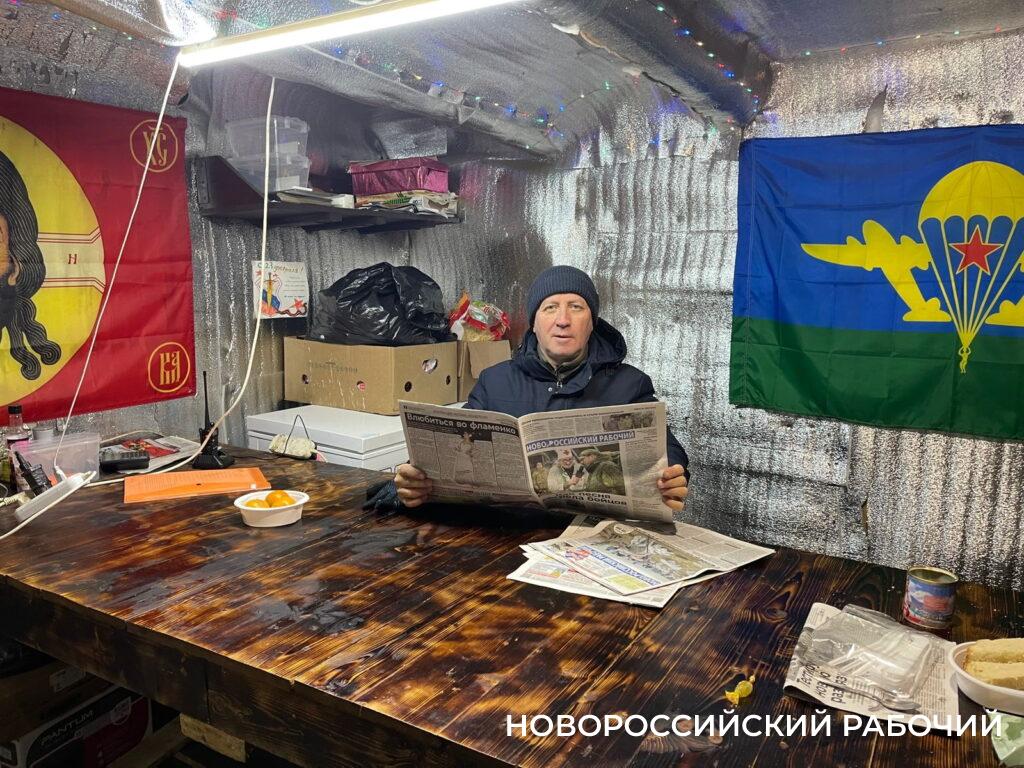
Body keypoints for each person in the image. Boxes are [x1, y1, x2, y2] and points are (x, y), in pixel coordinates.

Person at [388, 265, 689, 510]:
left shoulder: (630, 384)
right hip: (506, 535)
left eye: (576, 307)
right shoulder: (494, 381)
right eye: (550, 308)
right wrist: (414, 480)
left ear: (592, 322)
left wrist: (672, 474)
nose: (563, 320)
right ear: (534, 322)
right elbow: (454, 444)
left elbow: (666, 448)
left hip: (589, 534)